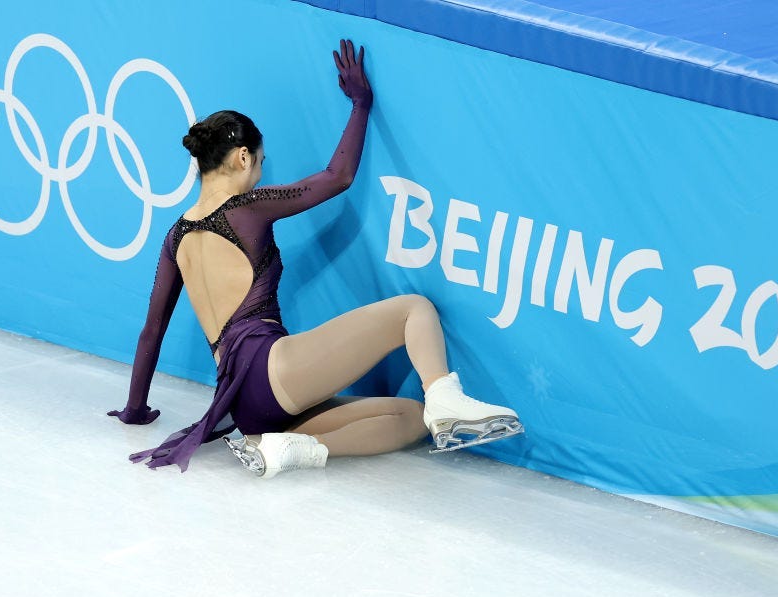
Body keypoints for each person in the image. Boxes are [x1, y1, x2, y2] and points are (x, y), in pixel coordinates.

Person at [109, 40, 522, 478]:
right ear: (243, 157)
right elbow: (336, 177)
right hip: (272, 371)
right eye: (261, 162)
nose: (262, 173)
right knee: (414, 311)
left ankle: (297, 448)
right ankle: (445, 396)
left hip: (245, 406)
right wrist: (361, 103)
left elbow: (151, 330)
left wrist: (135, 409)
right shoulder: (247, 208)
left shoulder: (175, 237)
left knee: (409, 416)